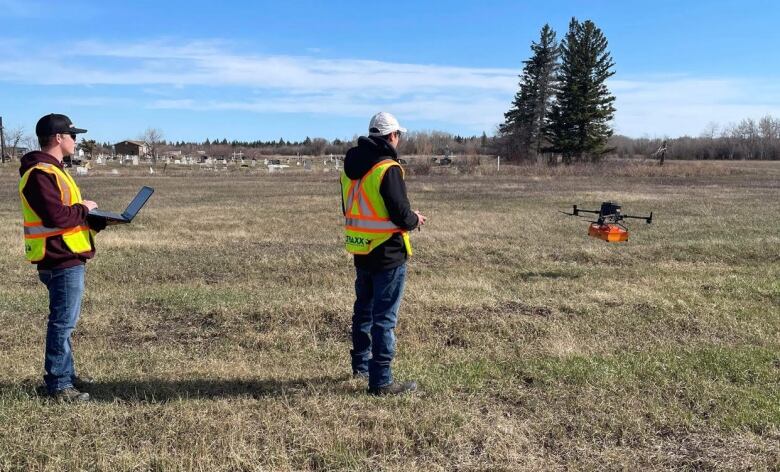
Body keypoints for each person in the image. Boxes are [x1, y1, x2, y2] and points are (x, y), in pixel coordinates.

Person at [18, 114, 105, 402]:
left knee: (66, 322)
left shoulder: (56, 171)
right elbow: (55, 216)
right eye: (72, 136)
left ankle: (65, 374)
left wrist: (93, 219)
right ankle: (58, 385)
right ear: (58, 138)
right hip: (59, 259)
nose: (75, 141)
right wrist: (83, 208)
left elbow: (64, 215)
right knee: (62, 323)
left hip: (67, 254)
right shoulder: (40, 174)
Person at [340, 112, 427, 395]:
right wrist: (415, 219)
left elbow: (352, 209)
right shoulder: (388, 168)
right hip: (388, 253)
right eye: (398, 135)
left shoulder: (350, 168)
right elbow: (400, 215)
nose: (399, 140)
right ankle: (381, 382)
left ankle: (361, 368)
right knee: (384, 319)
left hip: (361, 250)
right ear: (392, 136)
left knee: (363, 313)